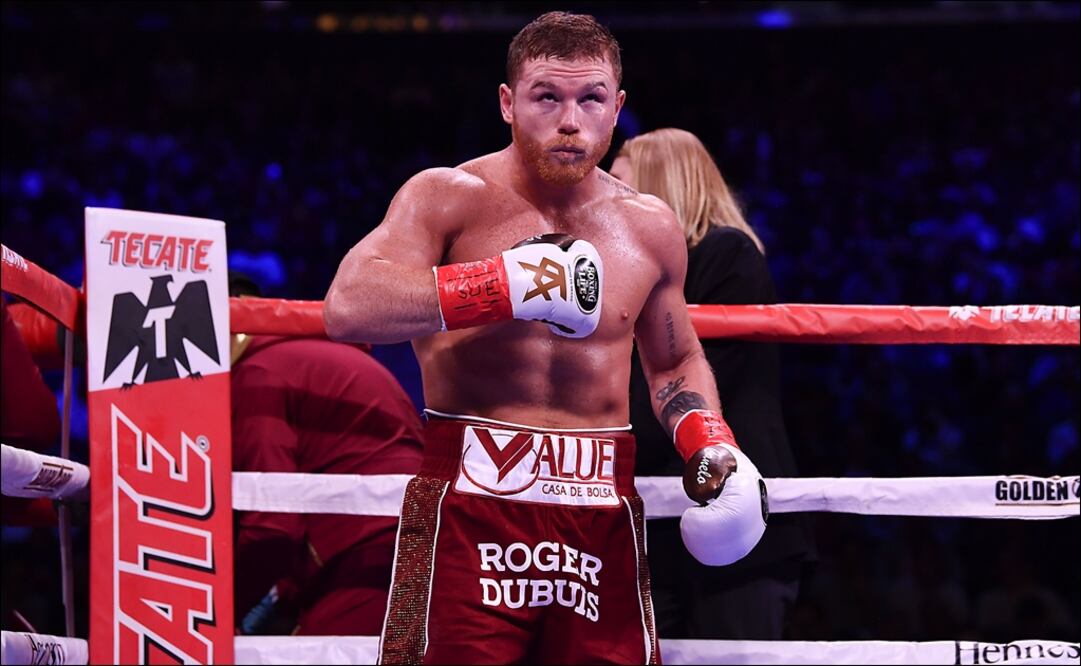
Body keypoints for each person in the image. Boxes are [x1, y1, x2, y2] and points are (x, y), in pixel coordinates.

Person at [324, 12, 768, 664]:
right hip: (471, 500)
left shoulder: (649, 226)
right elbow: (349, 306)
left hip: (599, 505)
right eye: (546, 97)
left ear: (617, 108)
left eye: (590, 99)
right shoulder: (447, 196)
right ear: (508, 103)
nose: (569, 121)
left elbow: (674, 361)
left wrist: (709, 440)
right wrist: (499, 285)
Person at [610, 128, 816, 640]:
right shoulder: (630, 274)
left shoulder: (726, 254)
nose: (607, 202)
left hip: (732, 511)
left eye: (621, 186)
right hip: (657, 515)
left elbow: (691, 380)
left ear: (660, 185)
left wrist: (598, 436)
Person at [228, 274, 424, 636]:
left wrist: (215, 613)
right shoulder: (304, 355)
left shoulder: (258, 374)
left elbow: (271, 524)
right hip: (402, 532)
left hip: (365, 545)